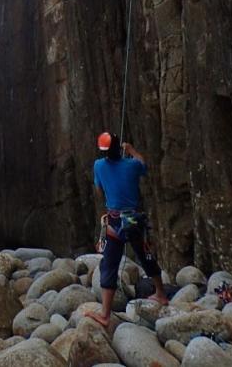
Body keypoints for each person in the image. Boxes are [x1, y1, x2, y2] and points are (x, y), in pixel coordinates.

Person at [86, 132, 168, 327]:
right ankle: (161, 294)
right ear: (118, 148)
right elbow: (143, 164)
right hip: (133, 220)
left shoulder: (99, 166)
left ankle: (105, 313)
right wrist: (131, 151)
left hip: (114, 222)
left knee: (110, 264)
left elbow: (99, 191)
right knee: (146, 256)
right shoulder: (131, 165)